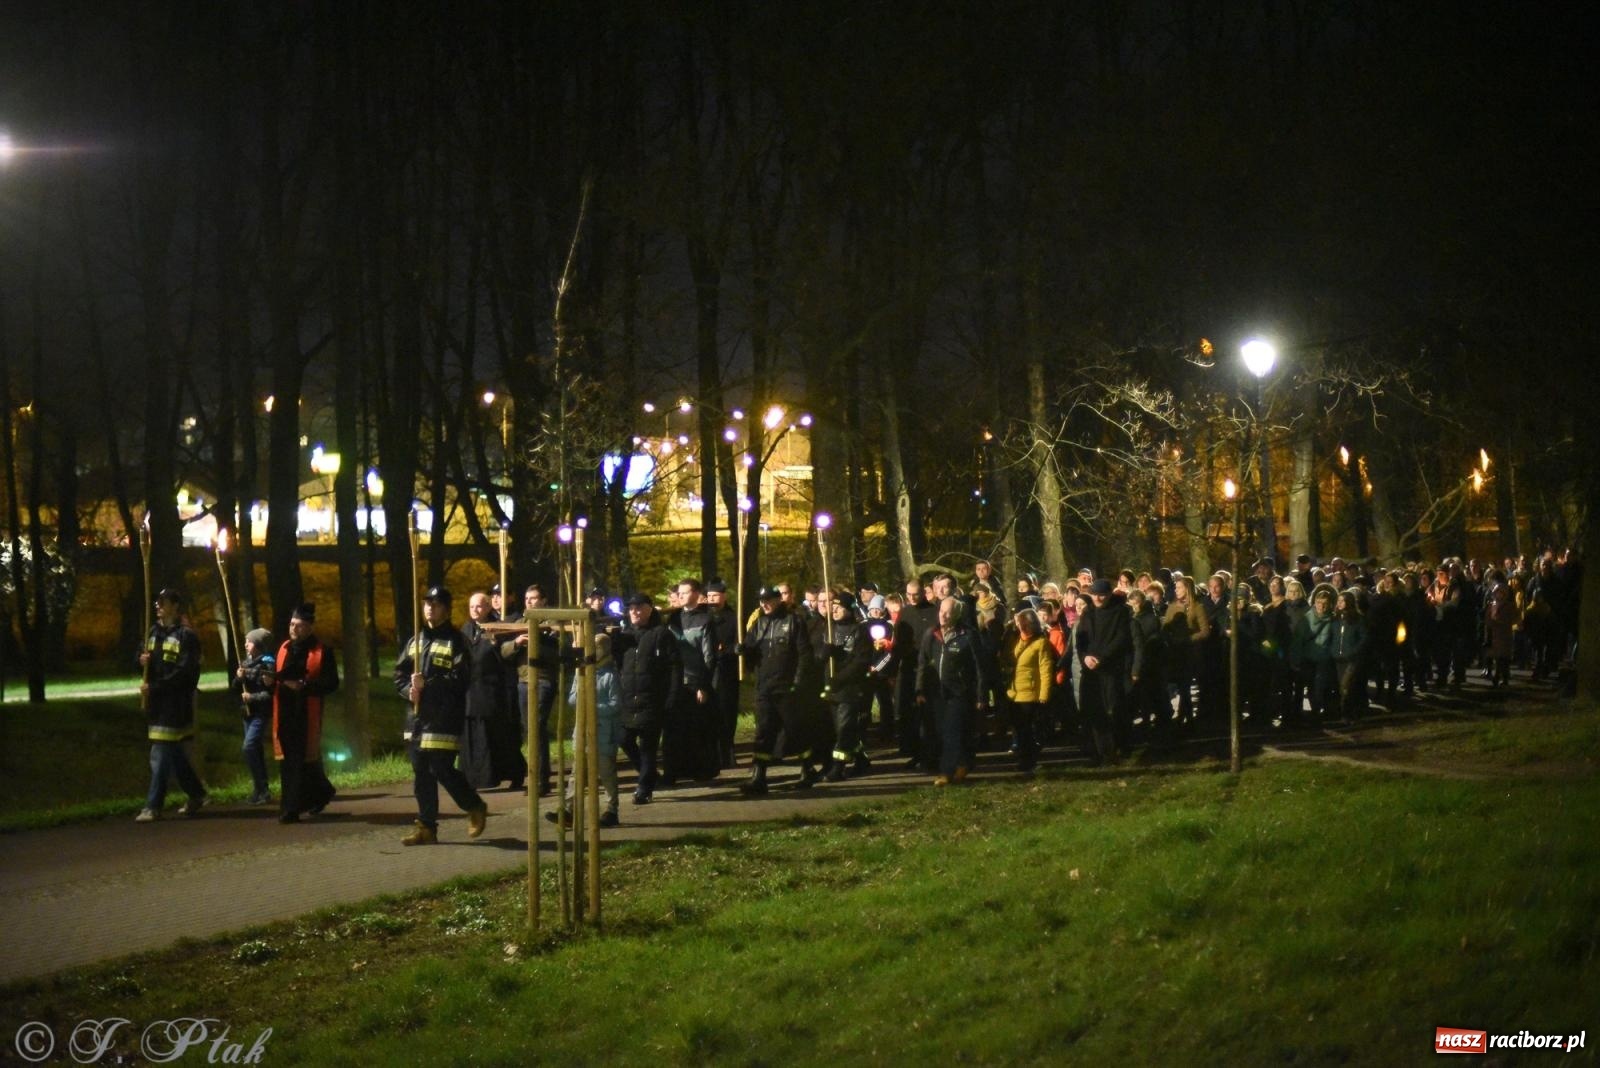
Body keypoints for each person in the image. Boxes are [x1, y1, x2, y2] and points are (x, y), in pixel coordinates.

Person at [394, 586, 488, 845]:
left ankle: (474, 805)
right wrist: (408, 690)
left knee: (441, 768)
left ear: (446, 609)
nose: (429, 608)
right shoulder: (416, 640)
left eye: (435, 604)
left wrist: (429, 685)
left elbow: (461, 678)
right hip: (416, 719)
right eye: (427, 604)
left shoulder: (457, 641)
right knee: (421, 771)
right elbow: (400, 675)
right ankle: (426, 827)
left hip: (444, 717)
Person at [136, 587, 207, 822]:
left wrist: (156, 687)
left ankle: (153, 805)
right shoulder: (154, 632)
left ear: (175, 606)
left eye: (163, 602)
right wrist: (141, 659)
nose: (158, 606)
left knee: (160, 754)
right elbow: (145, 658)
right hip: (157, 705)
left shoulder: (187, 636)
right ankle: (196, 794)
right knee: (174, 754)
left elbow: (186, 673)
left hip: (176, 705)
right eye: (157, 601)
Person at [740, 586, 819, 793]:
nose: (764, 604)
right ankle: (759, 776)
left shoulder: (793, 621)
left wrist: (798, 681)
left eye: (768, 600)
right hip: (764, 687)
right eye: (761, 600)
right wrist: (741, 650)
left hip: (787, 687)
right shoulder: (759, 624)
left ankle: (808, 768)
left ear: (778, 600)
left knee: (795, 730)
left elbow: (804, 654)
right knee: (763, 732)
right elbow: (750, 651)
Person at [272, 603, 340, 823]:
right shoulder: (284, 648)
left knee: (298, 760)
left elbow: (331, 683)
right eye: (292, 624)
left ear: (309, 628)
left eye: (299, 626)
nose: (294, 629)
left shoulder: (322, 651)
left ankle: (290, 809)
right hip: (284, 710)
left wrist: (305, 686)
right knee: (293, 761)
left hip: (305, 711)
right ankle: (321, 793)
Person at [549, 633, 623, 827]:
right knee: (576, 774)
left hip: (603, 732)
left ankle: (611, 809)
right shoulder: (581, 672)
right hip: (582, 731)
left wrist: (593, 707)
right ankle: (569, 810)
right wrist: (582, 700)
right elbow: (572, 698)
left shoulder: (610, 675)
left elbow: (616, 704)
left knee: (606, 773)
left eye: (597, 648)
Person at [614, 593, 681, 804]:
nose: (634, 611)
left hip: (652, 699)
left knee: (648, 746)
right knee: (624, 738)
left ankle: (644, 787)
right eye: (631, 608)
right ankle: (649, 774)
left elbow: (675, 666)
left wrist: (672, 695)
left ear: (650, 609)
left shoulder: (661, 634)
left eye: (639, 607)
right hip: (628, 699)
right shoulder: (624, 636)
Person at [916, 595, 989, 786]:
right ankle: (965, 762)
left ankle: (946, 772)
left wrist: (981, 694)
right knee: (943, 732)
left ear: (956, 614)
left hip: (959, 693)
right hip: (936, 693)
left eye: (948, 612)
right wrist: (919, 689)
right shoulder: (931, 634)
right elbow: (923, 664)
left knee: (952, 731)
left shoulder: (968, 635)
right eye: (942, 611)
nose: (944, 615)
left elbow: (980, 667)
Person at [461, 591, 528, 791]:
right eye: (472, 607)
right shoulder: (466, 629)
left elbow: (505, 655)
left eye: (479, 606)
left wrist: (504, 644)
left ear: (488, 607)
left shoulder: (498, 628)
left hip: (493, 689)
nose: (475, 610)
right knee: (473, 735)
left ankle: (514, 773)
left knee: (499, 735)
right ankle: (475, 777)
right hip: (471, 689)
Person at [504, 583, 559, 795]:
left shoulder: (553, 622)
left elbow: (557, 650)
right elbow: (505, 651)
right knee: (530, 730)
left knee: (537, 727)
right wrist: (517, 643)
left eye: (534, 598)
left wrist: (537, 641)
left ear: (544, 600)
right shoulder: (520, 622)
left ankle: (540, 780)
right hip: (523, 681)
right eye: (527, 598)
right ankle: (537, 776)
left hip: (544, 680)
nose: (529, 602)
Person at [1075, 579, 1132, 764]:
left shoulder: (1121, 611)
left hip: (1111, 668)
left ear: (1108, 595)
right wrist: (1085, 657)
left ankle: (1119, 747)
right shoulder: (1088, 612)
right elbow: (1080, 639)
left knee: (1115, 708)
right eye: (1094, 594)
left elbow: (1122, 638)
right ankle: (1097, 751)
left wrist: (1101, 658)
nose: (1097, 598)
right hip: (1090, 668)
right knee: (1092, 709)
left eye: (1101, 595)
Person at [1002, 608, 1052, 772]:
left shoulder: (1041, 642)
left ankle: (1028, 760)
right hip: (1014, 692)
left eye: (1021, 623)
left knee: (1026, 729)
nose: (1019, 626)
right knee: (1018, 728)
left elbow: (1045, 669)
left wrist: (1044, 693)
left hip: (1030, 692)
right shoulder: (1015, 639)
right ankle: (1023, 758)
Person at [232, 627, 276, 805]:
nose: (245, 644)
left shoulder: (267, 664)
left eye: (249, 641)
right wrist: (238, 678)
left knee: (249, 746)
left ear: (258, 644)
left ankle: (262, 788)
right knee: (255, 750)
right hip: (247, 713)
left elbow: (270, 693)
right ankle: (261, 789)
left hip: (260, 712)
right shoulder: (245, 663)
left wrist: (252, 697)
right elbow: (235, 687)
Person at [703, 579, 742, 770]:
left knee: (727, 713)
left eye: (715, 596)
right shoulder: (705, 617)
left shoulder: (734, 618)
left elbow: (735, 645)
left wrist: (724, 650)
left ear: (724, 596)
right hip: (709, 672)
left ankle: (727, 753)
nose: (712, 600)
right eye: (709, 596)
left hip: (727, 672)